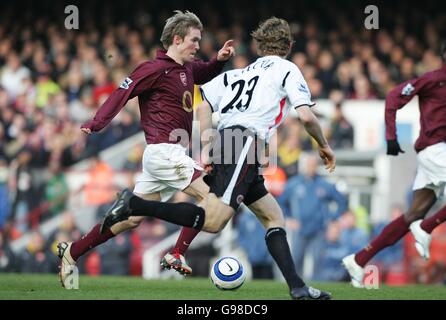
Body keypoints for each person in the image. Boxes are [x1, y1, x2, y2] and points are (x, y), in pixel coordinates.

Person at [101, 17, 336, 300]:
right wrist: (323, 145)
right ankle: (135, 203)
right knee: (213, 222)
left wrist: (209, 144)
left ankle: (297, 287)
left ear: (259, 46)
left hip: (231, 142)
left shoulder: (237, 73)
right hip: (244, 144)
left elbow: (204, 105)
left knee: (273, 216)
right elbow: (307, 116)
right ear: (289, 45)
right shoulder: (287, 69)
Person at [56, 10, 235, 286]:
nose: (198, 46)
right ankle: (177, 252)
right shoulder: (153, 69)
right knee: (215, 196)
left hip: (168, 156)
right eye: (194, 40)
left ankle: (73, 251)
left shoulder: (186, 69)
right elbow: (121, 92)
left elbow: (204, 71)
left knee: (131, 219)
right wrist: (97, 122)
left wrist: (219, 61)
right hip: (164, 152)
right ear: (177, 39)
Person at [342, 41, 446, 288]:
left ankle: (359, 259)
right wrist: (391, 136)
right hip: (435, 150)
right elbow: (393, 95)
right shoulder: (433, 79)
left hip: (438, 152)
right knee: (419, 220)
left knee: (413, 213)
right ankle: (427, 227)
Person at [278, 152, 348, 280]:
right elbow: (280, 203)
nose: (311, 167)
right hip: (300, 230)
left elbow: (342, 201)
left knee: (318, 262)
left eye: (314, 165)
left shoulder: (324, 184)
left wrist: (333, 220)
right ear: (304, 166)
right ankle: (296, 287)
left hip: (319, 230)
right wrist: (289, 218)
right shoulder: (293, 184)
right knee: (296, 260)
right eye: (309, 165)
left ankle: (318, 291)